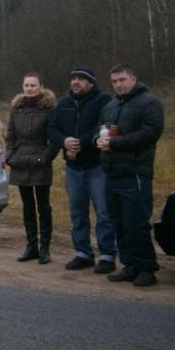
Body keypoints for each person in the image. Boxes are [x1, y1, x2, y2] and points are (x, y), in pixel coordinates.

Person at [96, 64, 164, 287]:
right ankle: (129, 264)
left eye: (122, 80)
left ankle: (147, 268)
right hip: (111, 173)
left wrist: (114, 143)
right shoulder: (111, 105)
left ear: (133, 79)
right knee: (118, 223)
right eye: (114, 81)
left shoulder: (149, 103)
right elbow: (102, 129)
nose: (118, 84)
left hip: (135, 173)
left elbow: (150, 134)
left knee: (136, 224)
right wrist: (99, 140)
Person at [48, 66, 117, 274]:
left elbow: (106, 127)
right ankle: (83, 253)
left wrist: (81, 143)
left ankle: (107, 254)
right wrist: (65, 141)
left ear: (91, 83)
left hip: (97, 166)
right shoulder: (64, 104)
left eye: (81, 79)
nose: (76, 82)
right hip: (72, 168)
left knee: (104, 212)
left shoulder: (103, 101)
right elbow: (52, 129)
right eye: (73, 79)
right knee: (77, 213)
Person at [6, 73, 59, 264]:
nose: (29, 88)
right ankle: (31, 246)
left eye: (33, 85)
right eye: (26, 85)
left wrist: (44, 158)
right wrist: (9, 156)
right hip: (20, 161)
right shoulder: (16, 109)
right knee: (27, 206)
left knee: (43, 206)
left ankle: (45, 248)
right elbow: (10, 136)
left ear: (40, 86)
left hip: (39, 162)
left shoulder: (49, 109)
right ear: (23, 87)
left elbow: (54, 139)